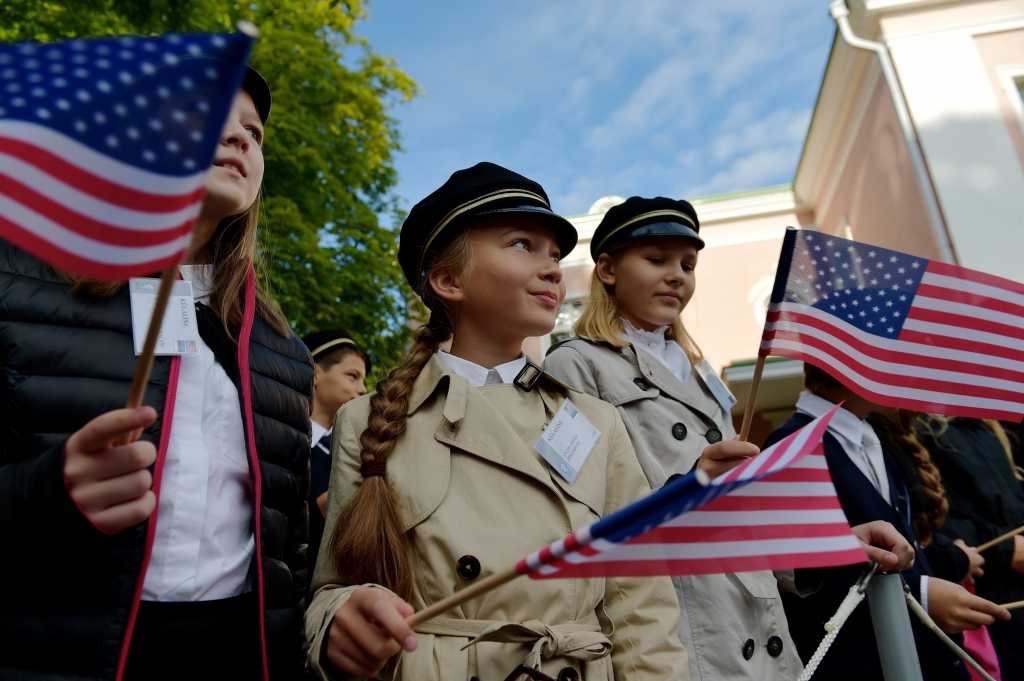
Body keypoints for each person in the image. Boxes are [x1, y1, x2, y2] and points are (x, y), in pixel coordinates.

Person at [305, 163, 688, 680]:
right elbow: (333, 586)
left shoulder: (597, 420)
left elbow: (641, 602)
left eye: (555, 254)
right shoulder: (366, 419)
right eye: (522, 245)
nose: (553, 269)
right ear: (448, 280)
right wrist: (340, 620)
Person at [0, 69, 314, 680]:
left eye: (253, 132)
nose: (241, 138)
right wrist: (41, 491)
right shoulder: (15, 279)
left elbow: (290, 553)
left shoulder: (286, 353)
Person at [542, 196, 804, 680]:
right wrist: (691, 484)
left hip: (756, 607)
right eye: (657, 259)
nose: (677, 275)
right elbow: (576, 508)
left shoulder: (701, 372)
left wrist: (826, 551)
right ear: (607, 269)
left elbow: (741, 510)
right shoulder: (574, 362)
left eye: (687, 264)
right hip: (679, 620)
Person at [766, 365, 1010, 681]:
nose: (913, 372)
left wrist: (943, 568)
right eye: (896, 357)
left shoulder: (869, 440)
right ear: (850, 362)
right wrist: (922, 595)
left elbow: (898, 551)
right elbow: (799, 580)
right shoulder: (792, 447)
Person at [916, 416, 1024, 679]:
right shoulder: (922, 429)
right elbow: (924, 522)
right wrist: (1007, 549)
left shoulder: (986, 423)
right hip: (977, 599)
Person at [300, 330, 370, 598]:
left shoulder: (356, 448)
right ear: (315, 374)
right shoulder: (286, 442)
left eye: (363, 379)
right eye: (352, 376)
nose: (362, 389)